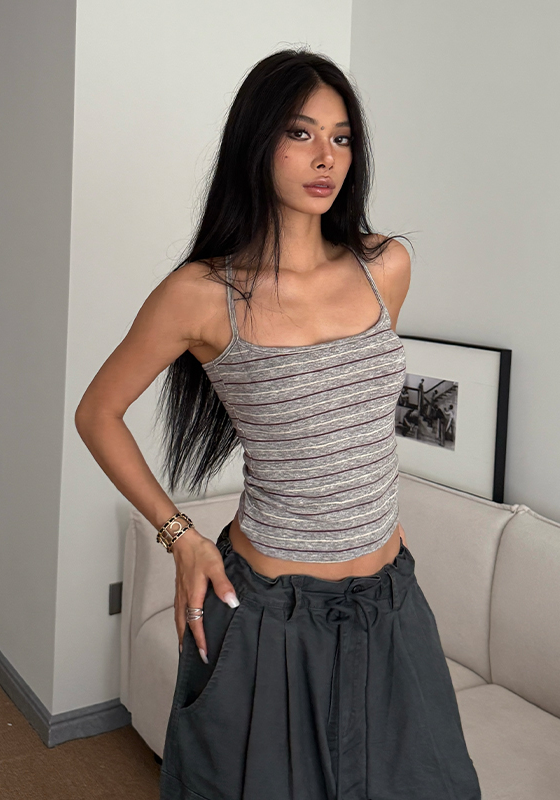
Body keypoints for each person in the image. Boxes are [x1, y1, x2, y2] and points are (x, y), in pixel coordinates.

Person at [75, 48, 481, 800]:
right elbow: (97, 413)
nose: (326, 157)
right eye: (301, 133)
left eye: (341, 137)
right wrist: (180, 537)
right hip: (267, 613)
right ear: (257, 143)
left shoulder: (385, 266)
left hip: (391, 602)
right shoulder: (204, 294)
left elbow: (354, 416)